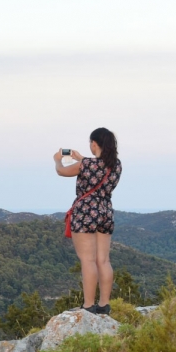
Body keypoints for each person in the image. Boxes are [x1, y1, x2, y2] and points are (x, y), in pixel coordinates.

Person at [54, 128, 122, 315]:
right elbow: (98, 168)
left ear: (94, 143)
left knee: (87, 259)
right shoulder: (116, 165)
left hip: (85, 212)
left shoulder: (85, 164)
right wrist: (82, 158)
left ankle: (88, 305)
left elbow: (61, 171)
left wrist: (57, 159)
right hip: (106, 211)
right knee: (103, 260)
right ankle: (104, 304)